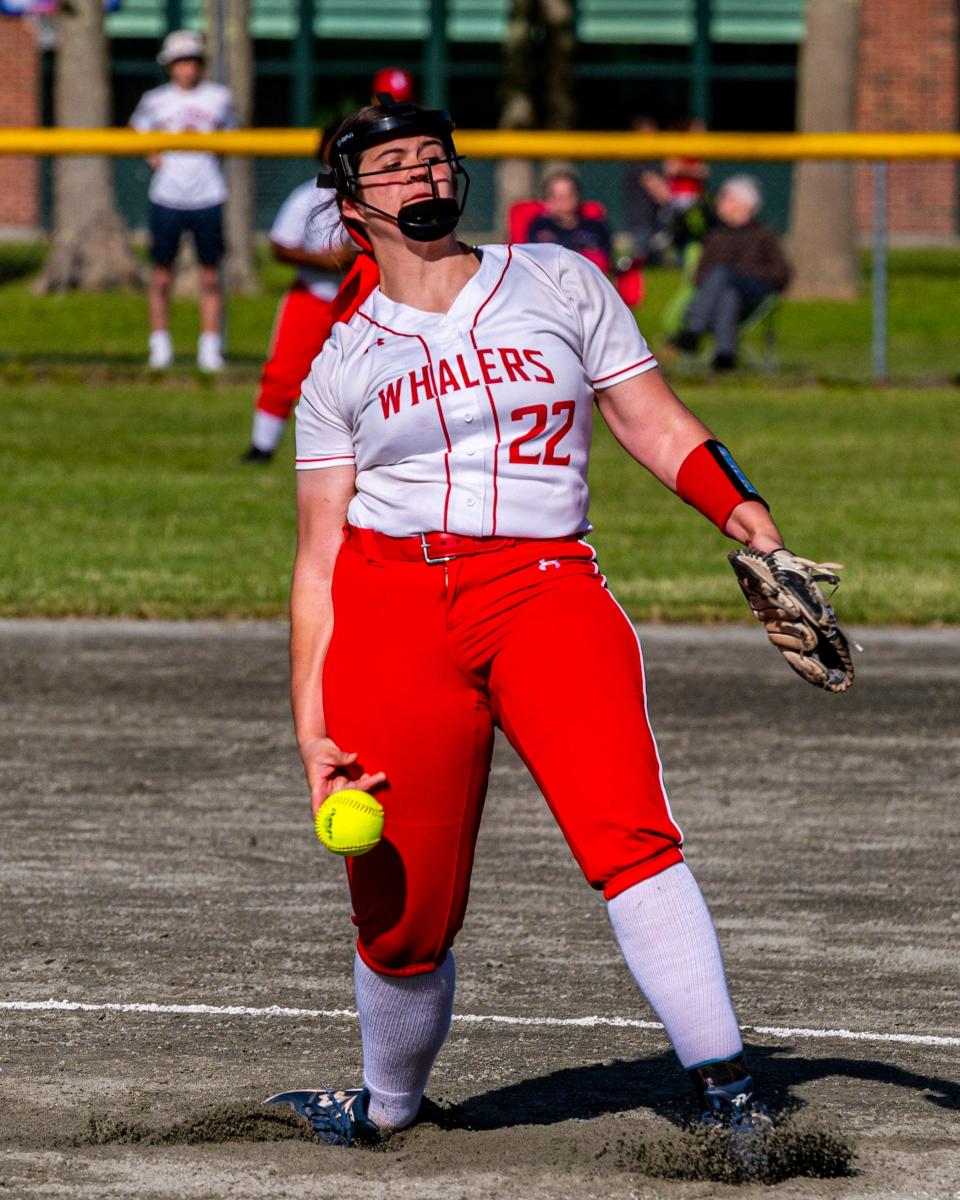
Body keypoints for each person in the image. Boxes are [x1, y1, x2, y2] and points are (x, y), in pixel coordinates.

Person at [265, 98, 788, 1148]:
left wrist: (754, 526)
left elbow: (654, 420)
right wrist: (313, 731)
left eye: (434, 159)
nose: (423, 176)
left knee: (630, 832)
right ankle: (389, 1107)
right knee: (402, 910)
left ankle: (731, 1091)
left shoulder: (556, 278)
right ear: (352, 205)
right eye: (395, 166)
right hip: (393, 609)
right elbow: (318, 564)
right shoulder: (338, 365)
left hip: (546, 588)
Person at [241, 70, 416, 462]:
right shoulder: (309, 195)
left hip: (368, 296)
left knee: (374, 374)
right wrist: (323, 259)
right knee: (286, 370)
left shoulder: (377, 193)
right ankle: (262, 446)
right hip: (313, 293)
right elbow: (280, 247)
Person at [130, 30, 237, 372]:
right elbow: (136, 129)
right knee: (162, 275)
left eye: (191, 60)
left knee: (210, 275)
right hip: (167, 195)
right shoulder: (155, 99)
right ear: (169, 66)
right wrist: (153, 155)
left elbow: (233, 135)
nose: (186, 68)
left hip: (208, 194)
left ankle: (210, 347)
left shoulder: (219, 97)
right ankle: (159, 345)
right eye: (179, 61)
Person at [670, 175, 791, 371]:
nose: (720, 202)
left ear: (743, 204)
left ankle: (693, 329)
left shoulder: (763, 235)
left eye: (726, 197)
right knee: (728, 291)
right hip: (720, 298)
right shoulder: (717, 236)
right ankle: (725, 356)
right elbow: (700, 275)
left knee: (723, 274)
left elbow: (781, 273)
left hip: (754, 294)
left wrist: (741, 274)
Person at [526, 170, 612, 274]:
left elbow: (605, 261)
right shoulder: (540, 227)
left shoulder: (594, 227)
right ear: (548, 200)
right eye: (558, 196)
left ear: (577, 196)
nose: (564, 200)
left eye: (569, 194)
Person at [621, 115, 673, 264]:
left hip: (651, 220)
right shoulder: (637, 160)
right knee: (640, 261)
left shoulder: (651, 160)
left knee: (655, 263)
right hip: (641, 221)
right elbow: (661, 193)